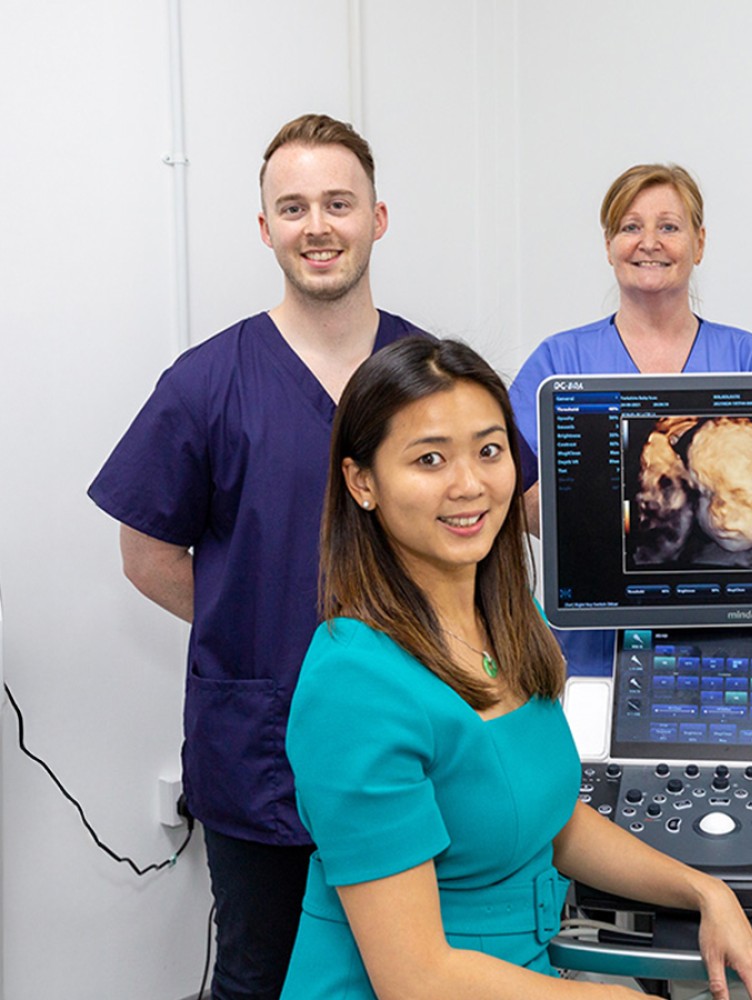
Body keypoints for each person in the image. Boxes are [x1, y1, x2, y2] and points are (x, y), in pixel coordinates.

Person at [281, 337, 752, 1000]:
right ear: (361, 482)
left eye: (489, 451)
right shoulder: (354, 682)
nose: (470, 485)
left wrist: (704, 890)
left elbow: (553, 820)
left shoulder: (513, 626)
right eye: (430, 459)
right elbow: (416, 978)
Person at [87, 114, 447, 1000]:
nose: (316, 225)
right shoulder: (207, 383)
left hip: (412, 739)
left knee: (403, 974)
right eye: (293, 207)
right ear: (264, 228)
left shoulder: (430, 375)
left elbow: (501, 513)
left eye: (337, 203)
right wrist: (257, 620)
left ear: (378, 217)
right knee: (260, 976)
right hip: (260, 753)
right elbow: (146, 554)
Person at [507, 163, 752, 676]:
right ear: (609, 245)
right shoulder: (559, 362)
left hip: (730, 637)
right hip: (593, 640)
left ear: (699, 244)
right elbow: (509, 485)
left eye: (669, 226)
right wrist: (619, 529)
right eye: (630, 227)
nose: (648, 242)